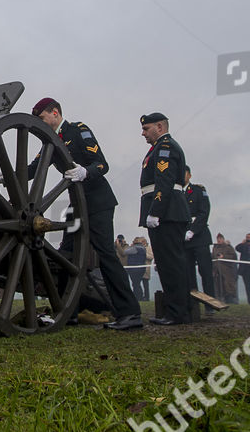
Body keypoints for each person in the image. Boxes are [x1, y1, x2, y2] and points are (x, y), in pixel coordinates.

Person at [27, 98, 143, 331]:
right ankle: (68, 310)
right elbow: (33, 169)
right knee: (65, 256)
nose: (40, 124)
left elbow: (102, 164)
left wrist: (85, 172)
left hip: (98, 202)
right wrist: (2, 175)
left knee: (106, 255)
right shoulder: (51, 142)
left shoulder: (78, 130)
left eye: (42, 119)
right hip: (76, 207)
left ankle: (130, 313)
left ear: (55, 113)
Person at [137, 111, 193, 326]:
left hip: (167, 213)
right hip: (167, 212)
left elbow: (165, 181)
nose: (143, 133)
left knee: (171, 264)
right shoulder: (158, 148)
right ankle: (178, 310)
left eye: (146, 128)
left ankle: (177, 313)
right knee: (170, 263)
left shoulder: (165, 147)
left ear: (159, 127)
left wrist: (155, 211)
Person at [183, 170, 215, 303]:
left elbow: (204, 212)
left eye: (184, 173)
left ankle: (210, 302)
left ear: (189, 175)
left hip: (200, 237)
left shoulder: (198, 190)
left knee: (205, 271)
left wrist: (193, 231)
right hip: (183, 238)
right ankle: (193, 302)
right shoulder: (176, 192)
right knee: (188, 272)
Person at [211, 234, 238, 303]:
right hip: (217, 270)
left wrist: (224, 257)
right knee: (219, 287)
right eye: (218, 238)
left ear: (223, 239)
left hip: (227, 271)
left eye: (220, 238)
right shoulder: (215, 247)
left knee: (228, 287)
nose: (219, 240)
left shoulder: (228, 247)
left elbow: (234, 257)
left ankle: (230, 301)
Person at [125, 236, 149, 301]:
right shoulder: (143, 248)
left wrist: (130, 246)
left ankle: (138, 297)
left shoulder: (135, 248)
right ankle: (139, 296)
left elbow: (126, 252)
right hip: (141, 268)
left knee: (135, 284)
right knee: (137, 283)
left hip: (134, 269)